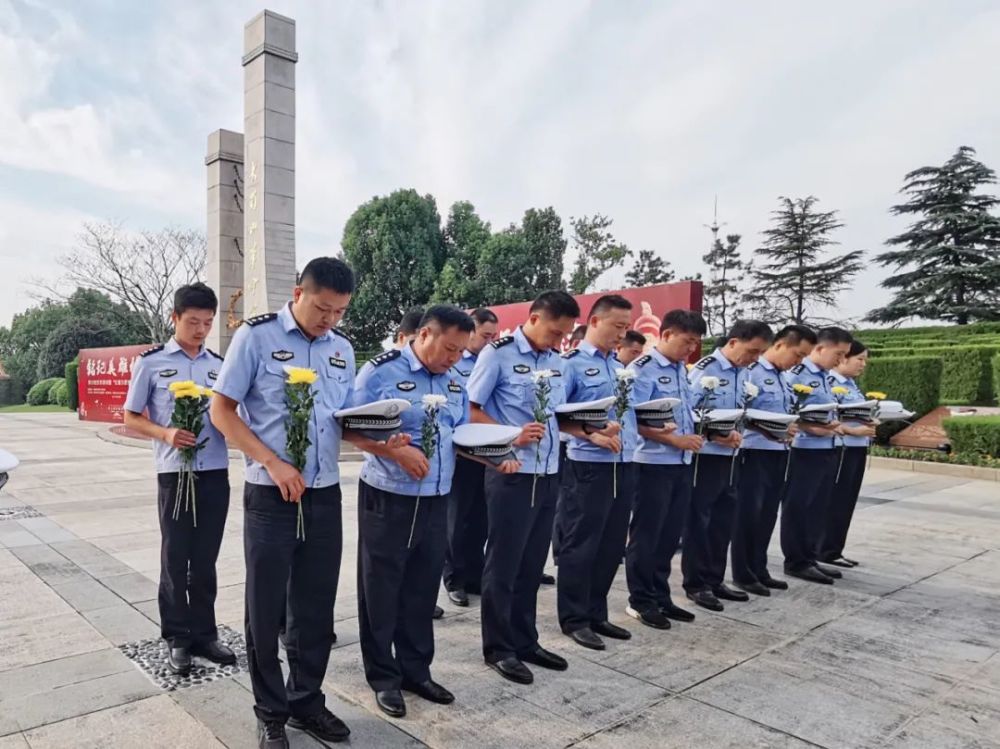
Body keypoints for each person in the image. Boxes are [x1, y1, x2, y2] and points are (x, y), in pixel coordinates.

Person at [345, 306, 519, 719]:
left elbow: (459, 435)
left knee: (422, 588)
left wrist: (492, 455)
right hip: (389, 495)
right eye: (449, 349)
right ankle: (383, 677)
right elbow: (347, 427)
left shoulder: (456, 379)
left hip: (437, 496)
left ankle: (416, 670)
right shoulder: (380, 371)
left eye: (461, 351)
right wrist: (393, 450)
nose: (454, 358)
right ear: (424, 335)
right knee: (381, 588)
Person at [210, 258, 355, 749]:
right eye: (322, 308)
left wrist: (385, 436)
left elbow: (344, 419)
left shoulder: (342, 349)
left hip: (324, 494)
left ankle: (306, 702)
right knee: (266, 604)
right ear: (298, 293)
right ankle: (270, 711)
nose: (329, 320)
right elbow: (221, 411)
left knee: (315, 607)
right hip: (271, 495)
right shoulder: (257, 337)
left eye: (338, 312)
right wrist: (272, 462)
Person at [468, 290, 580, 685]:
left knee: (532, 564)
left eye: (565, 335)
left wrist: (592, 427)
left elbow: (558, 417)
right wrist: (511, 435)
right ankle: (499, 647)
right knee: (504, 563)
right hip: (511, 472)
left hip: (549, 472)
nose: (558, 340)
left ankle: (525, 639)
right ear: (534, 318)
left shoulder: (557, 363)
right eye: (554, 331)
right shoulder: (496, 355)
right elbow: (471, 409)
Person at [123, 283, 234, 676]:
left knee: (205, 559)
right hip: (174, 473)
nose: (201, 330)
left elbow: (231, 414)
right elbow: (130, 416)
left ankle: (205, 633)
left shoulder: (220, 365)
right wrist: (167, 433)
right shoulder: (150, 363)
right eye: (192, 322)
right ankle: (177, 637)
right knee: (175, 557)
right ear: (174, 318)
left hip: (214, 472)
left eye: (207, 322)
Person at [554, 295, 637, 650]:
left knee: (611, 544)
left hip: (624, 463)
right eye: (617, 326)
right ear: (594, 321)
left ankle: (596, 612)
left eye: (627, 327)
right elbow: (557, 417)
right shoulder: (569, 364)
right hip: (588, 465)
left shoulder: (618, 367)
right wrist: (592, 435)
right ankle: (574, 618)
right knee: (581, 543)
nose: (622, 333)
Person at [683, 320, 772, 612]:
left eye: (760, 353)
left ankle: (715, 578)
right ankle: (696, 583)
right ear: (733, 342)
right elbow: (690, 412)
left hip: (732, 456)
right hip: (706, 456)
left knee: (723, 521)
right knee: (701, 521)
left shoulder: (742, 372)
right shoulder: (705, 369)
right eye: (752, 351)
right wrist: (716, 434)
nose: (754, 358)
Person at [625, 309, 706, 629]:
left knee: (670, 535)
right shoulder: (642, 370)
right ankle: (640, 600)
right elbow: (633, 420)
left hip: (680, 463)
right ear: (667, 335)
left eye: (696, 344)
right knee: (647, 535)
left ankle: (661, 595)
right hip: (652, 463)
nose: (691, 349)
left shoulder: (680, 370)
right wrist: (675, 440)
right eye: (687, 341)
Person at [730, 325, 816, 597]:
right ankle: (743, 573)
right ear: (779, 345)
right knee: (748, 514)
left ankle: (759, 568)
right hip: (753, 451)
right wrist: (771, 427)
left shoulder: (784, 377)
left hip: (778, 451)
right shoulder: (751, 371)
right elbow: (741, 412)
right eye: (797, 354)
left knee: (767, 514)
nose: (799, 361)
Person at [780, 326, 854, 586]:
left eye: (845, 355)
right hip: (804, 450)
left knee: (818, 507)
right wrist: (814, 428)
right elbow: (789, 414)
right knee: (800, 507)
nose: (841, 360)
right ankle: (796, 560)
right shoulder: (796, 374)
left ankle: (810, 557)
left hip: (827, 447)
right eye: (838, 354)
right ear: (820, 348)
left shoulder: (825, 375)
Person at [444, 307, 499, 607]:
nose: (490, 341)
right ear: (472, 331)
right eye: (485, 335)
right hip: (461, 450)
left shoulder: (494, 360)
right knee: (458, 517)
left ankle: (475, 574)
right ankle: (454, 578)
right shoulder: (453, 361)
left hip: (488, 448)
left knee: (481, 517)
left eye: (494, 336)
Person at [820, 339, 875, 568]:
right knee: (835, 501)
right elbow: (828, 417)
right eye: (859, 359)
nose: (863, 364)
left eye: (865, 360)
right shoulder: (831, 383)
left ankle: (834, 549)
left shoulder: (851, 384)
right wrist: (855, 429)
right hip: (841, 446)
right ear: (842, 358)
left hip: (858, 447)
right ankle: (824, 549)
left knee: (847, 501)